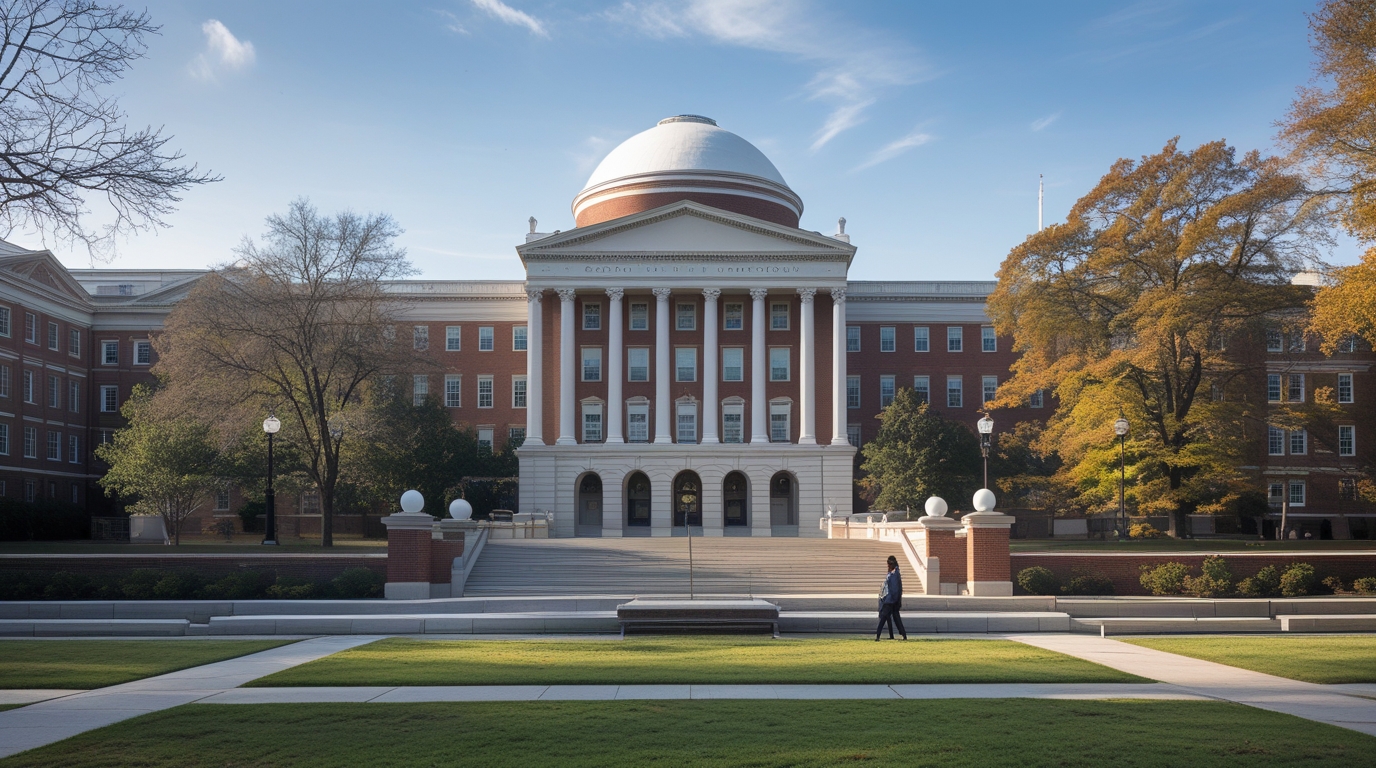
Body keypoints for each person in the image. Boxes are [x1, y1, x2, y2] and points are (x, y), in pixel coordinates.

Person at [876, 554, 907, 641]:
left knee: (884, 617)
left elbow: (894, 589)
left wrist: (892, 599)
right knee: (894, 618)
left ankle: (878, 636)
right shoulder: (894, 573)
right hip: (893, 600)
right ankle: (901, 635)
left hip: (890, 600)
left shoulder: (894, 574)